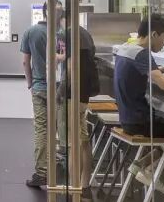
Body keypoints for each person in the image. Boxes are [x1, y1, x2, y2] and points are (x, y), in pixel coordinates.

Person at [57, 11, 99, 200]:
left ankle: (74, 186)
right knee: (82, 140)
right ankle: (84, 183)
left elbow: (70, 65)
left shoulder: (70, 33)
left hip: (73, 93)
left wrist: (60, 91)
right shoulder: (85, 33)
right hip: (84, 93)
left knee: (74, 142)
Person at [113, 13, 164, 138]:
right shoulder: (141, 53)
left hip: (127, 119)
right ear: (154, 34)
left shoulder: (125, 48)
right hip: (140, 123)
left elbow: (141, 70)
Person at [21, 6, 49, 188]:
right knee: (62, 130)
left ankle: (42, 172)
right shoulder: (63, 33)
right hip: (60, 88)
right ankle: (65, 172)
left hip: (39, 87)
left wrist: (30, 83)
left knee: (41, 129)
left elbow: (25, 61)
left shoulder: (31, 32)